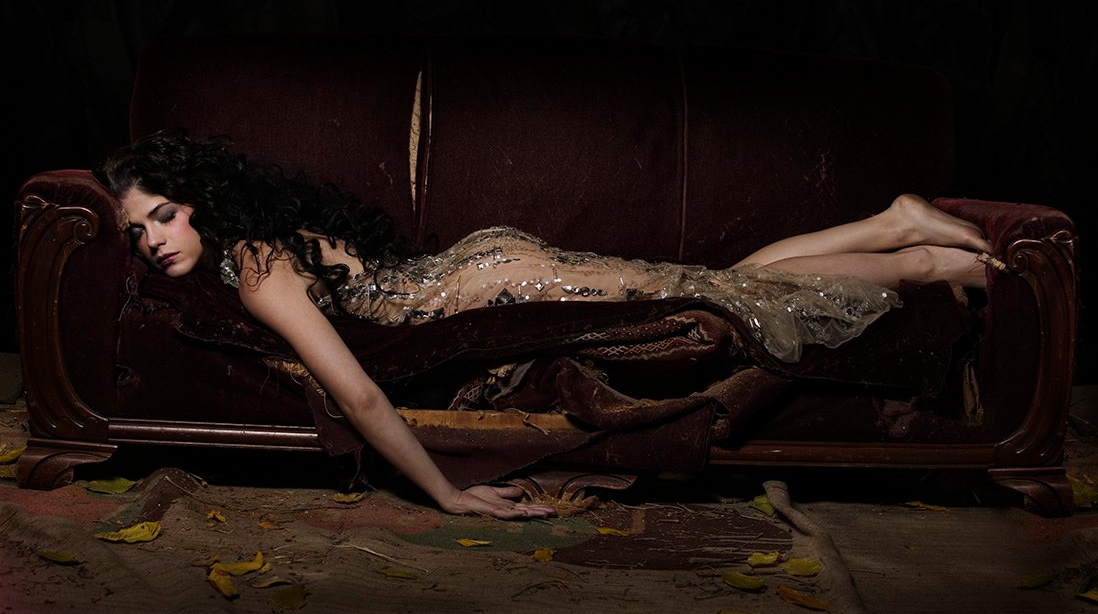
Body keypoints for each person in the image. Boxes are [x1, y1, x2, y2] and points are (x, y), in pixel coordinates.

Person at [96, 130, 994, 520]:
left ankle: (920, 261)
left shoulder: (254, 267)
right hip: (486, 272)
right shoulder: (263, 240)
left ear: (198, 199)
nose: (152, 240)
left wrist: (443, 493)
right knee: (712, 288)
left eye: (164, 215)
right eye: (135, 231)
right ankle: (893, 227)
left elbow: (361, 396)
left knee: (724, 296)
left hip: (503, 287)